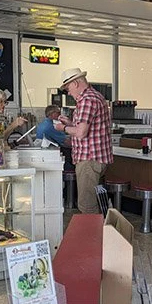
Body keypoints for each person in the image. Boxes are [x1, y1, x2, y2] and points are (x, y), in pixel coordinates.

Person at [52, 68, 113, 215]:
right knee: (95, 202)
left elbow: (81, 133)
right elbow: (85, 128)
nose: (68, 92)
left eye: (68, 87)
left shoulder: (87, 100)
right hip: (96, 159)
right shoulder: (95, 96)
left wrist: (64, 127)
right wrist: (71, 122)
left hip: (89, 160)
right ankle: (102, 235)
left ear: (76, 83)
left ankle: (92, 237)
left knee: (87, 206)